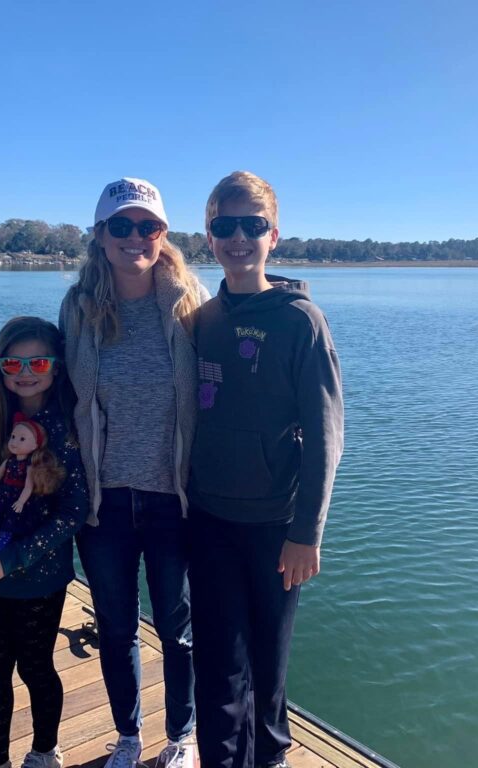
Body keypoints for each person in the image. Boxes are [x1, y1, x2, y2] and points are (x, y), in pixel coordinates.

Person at [186, 171, 344, 768]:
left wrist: (308, 531)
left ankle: (271, 757)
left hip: (276, 527)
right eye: (224, 226)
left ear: (273, 236)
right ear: (209, 237)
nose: (238, 238)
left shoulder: (300, 320)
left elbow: (326, 435)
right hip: (207, 519)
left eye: (252, 225)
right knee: (218, 666)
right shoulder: (201, 319)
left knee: (268, 667)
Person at [59, 177, 208, 768]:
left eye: (147, 226)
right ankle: (127, 737)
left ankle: (183, 736)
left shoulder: (190, 302)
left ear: (163, 235)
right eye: (120, 226)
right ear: (99, 237)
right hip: (105, 503)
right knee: (117, 629)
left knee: (179, 632)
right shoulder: (78, 307)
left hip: (172, 500)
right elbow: (55, 391)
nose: (134, 237)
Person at [0, 316, 89, 768]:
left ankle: (44, 752)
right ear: (0, 367)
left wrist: (15, 558)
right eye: (13, 362)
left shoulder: (69, 429)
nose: (25, 372)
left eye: (37, 361)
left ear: (56, 366)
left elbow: (73, 512)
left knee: (35, 668)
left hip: (39, 580)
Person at [0, 416, 65, 558]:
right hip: (1, 496)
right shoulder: (8, 461)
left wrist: (21, 502)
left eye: (22, 439)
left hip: (15, 500)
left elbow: (28, 487)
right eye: (13, 437)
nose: (14, 442)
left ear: (35, 445)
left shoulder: (29, 467)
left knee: (7, 526)